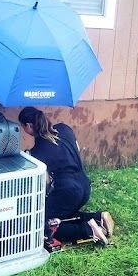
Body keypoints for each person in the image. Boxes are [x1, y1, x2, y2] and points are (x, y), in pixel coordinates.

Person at [18, 106, 114, 249]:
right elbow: (77, 148)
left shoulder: (36, 152)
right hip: (85, 185)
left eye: (22, 126)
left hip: (68, 190)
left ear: (28, 126)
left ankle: (88, 230)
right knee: (65, 213)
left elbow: (44, 182)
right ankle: (97, 217)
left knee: (41, 223)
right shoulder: (64, 128)